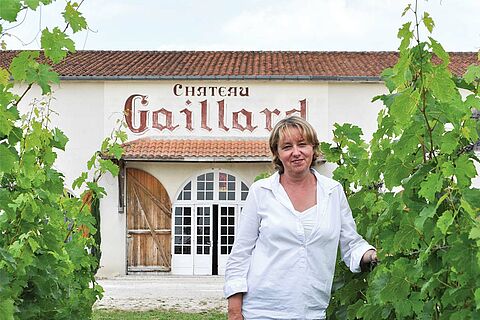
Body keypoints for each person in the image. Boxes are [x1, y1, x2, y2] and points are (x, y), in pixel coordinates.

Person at [224, 116, 377, 320]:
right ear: (277, 154)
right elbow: (241, 254)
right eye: (287, 146)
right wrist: (234, 311)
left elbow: (351, 243)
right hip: (261, 311)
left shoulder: (333, 192)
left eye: (302, 144)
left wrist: (373, 255)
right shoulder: (261, 192)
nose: (296, 152)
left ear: (313, 148)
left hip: (312, 310)